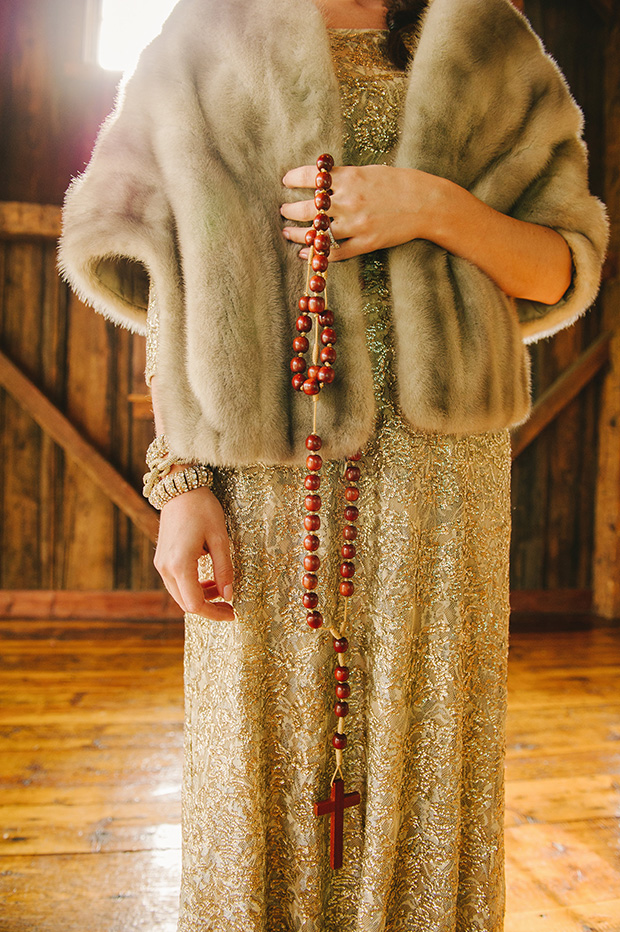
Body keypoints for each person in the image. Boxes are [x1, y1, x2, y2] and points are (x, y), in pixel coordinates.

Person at [59, 0, 608, 929]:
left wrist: (432, 205)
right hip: (265, 486)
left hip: (443, 492)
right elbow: (161, 272)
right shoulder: (207, 35)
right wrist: (180, 481)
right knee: (254, 782)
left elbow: (560, 269)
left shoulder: (484, 37)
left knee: (429, 783)